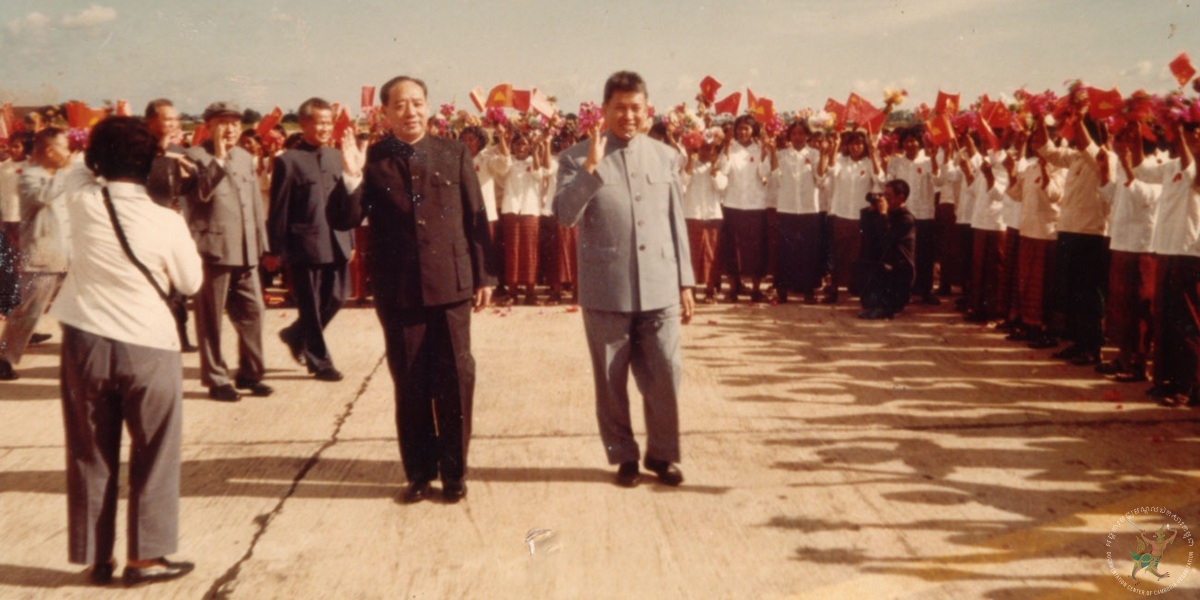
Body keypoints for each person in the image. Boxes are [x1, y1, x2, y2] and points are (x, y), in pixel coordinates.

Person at [329, 75, 497, 504]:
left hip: (453, 286)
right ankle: (420, 472)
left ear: (429, 107)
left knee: (456, 379)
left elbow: (476, 217)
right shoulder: (373, 159)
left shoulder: (453, 151)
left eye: (418, 103)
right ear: (384, 113)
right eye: (400, 105)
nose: (411, 112)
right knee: (411, 382)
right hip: (400, 291)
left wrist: (485, 276)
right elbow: (344, 219)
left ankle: (455, 472)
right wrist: (349, 176)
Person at [50, 116, 201, 586]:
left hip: (85, 338)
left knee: (89, 451)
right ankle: (146, 558)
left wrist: (95, 149)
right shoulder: (166, 220)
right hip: (149, 343)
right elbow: (191, 282)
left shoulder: (81, 198)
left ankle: (96, 555)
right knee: (155, 451)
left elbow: (75, 164)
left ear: (98, 160)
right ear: (151, 164)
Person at [554, 70, 695, 487]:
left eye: (637, 108)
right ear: (605, 111)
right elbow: (564, 215)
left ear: (647, 110)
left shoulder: (666, 156)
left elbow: (676, 222)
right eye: (620, 108)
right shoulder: (576, 157)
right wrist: (591, 169)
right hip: (606, 289)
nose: (629, 116)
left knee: (666, 374)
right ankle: (624, 456)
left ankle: (662, 455)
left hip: (661, 285)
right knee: (611, 381)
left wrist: (686, 281)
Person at [184, 102, 272, 401]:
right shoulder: (194, 157)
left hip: (245, 250)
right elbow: (199, 195)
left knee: (253, 313)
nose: (230, 129)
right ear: (208, 127)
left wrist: (262, 243)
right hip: (214, 250)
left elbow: (254, 205)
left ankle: (250, 373)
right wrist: (218, 159)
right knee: (210, 318)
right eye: (223, 123)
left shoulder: (245, 157)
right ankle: (216, 379)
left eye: (235, 123)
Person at [266, 97, 353, 382]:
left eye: (329, 122)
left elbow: (345, 201)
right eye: (320, 122)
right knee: (312, 307)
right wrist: (275, 249)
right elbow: (278, 209)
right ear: (304, 124)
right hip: (305, 246)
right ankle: (320, 362)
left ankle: (294, 334)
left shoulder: (334, 156)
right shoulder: (288, 162)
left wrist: (350, 238)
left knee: (338, 297)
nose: (326, 128)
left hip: (337, 241)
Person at [0, 127, 72, 381]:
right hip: (41, 255)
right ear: (50, 151)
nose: (68, 152)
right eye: (64, 147)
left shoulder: (59, 175)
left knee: (74, 306)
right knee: (30, 310)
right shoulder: (30, 176)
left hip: (66, 254)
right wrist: (64, 172)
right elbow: (44, 196)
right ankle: (4, 357)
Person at [143, 98, 198, 352]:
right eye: (168, 119)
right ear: (150, 122)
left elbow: (191, 189)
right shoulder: (137, 154)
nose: (174, 123)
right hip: (145, 227)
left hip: (173, 227)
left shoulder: (181, 153)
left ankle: (180, 334)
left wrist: (190, 175)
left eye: (176, 119)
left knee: (178, 287)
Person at [859, 180, 916, 319]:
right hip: (887, 267)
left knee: (886, 267)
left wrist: (883, 215)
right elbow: (866, 230)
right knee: (867, 300)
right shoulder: (889, 213)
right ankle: (879, 303)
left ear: (900, 197)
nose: (884, 199)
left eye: (888, 196)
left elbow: (889, 241)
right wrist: (870, 211)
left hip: (899, 273)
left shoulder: (906, 218)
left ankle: (885, 307)